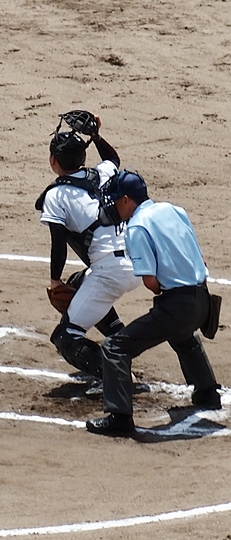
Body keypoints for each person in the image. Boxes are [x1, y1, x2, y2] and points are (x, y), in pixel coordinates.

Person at [86, 170, 223, 436]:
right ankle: (207, 392)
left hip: (178, 306)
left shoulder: (136, 227)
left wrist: (169, 294)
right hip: (203, 301)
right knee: (182, 335)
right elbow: (200, 259)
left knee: (114, 347)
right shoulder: (174, 210)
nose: (113, 206)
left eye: (115, 200)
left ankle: (119, 418)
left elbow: (150, 281)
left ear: (126, 199)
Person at [35, 115, 141, 391]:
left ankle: (117, 375)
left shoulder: (56, 195)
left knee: (66, 337)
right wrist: (96, 137)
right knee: (79, 283)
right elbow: (112, 159)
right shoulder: (102, 174)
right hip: (137, 263)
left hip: (110, 273)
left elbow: (58, 242)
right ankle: (120, 338)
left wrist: (54, 280)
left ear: (53, 161)